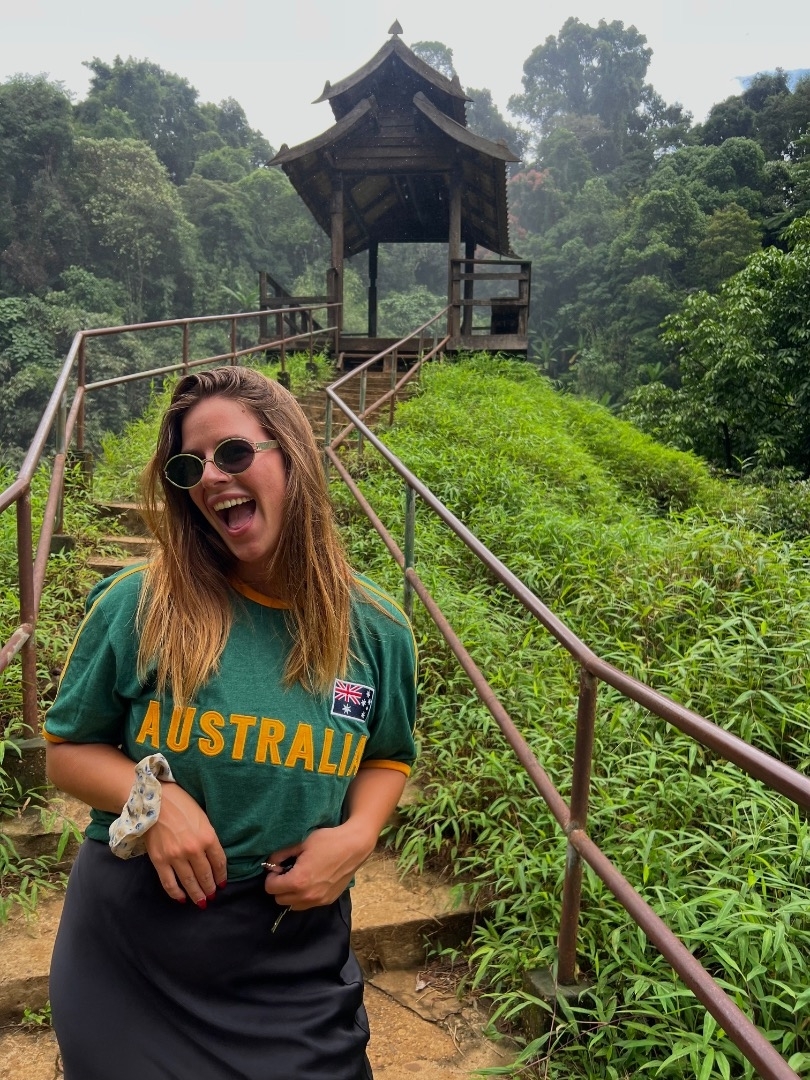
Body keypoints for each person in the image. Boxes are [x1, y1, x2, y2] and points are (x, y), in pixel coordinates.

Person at [43, 366, 418, 1080]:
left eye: (235, 453)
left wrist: (359, 834)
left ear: (293, 457)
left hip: (290, 948)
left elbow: (387, 754)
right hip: (134, 946)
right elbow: (66, 751)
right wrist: (155, 802)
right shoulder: (138, 604)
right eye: (190, 466)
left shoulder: (376, 629)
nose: (212, 477)